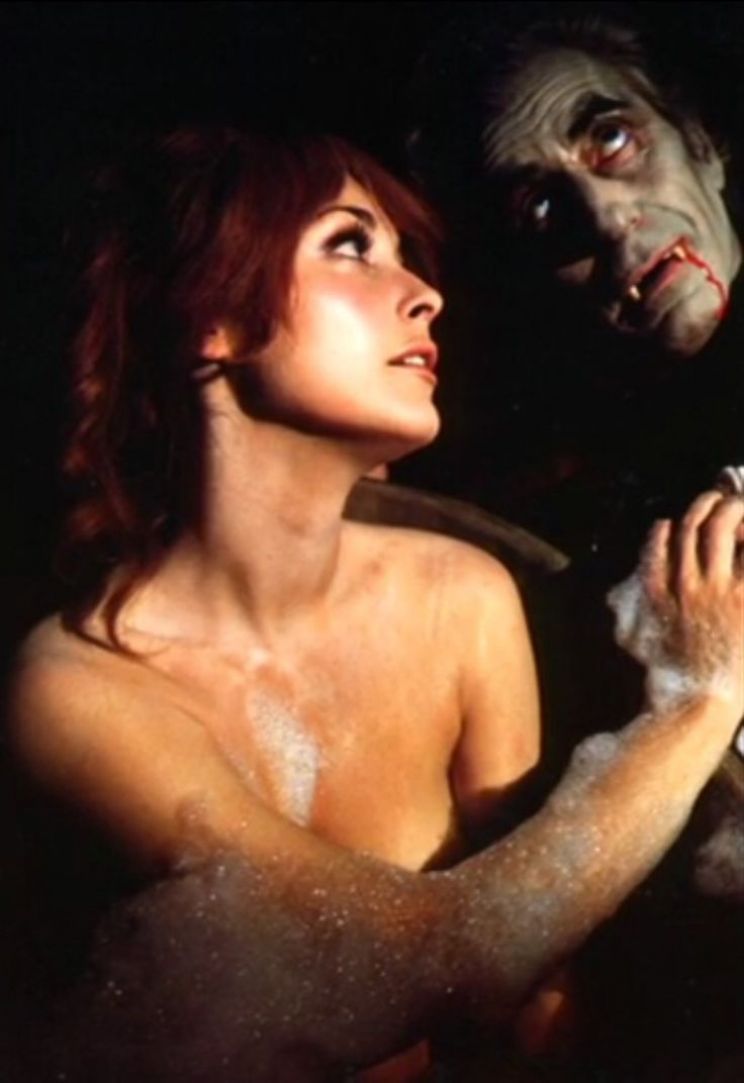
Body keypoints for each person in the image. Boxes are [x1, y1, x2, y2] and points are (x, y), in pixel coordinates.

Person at [3, 127, 742, 1082]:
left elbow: (535, 993)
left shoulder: (458, 597)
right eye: (350, 244)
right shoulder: (79, 688)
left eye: (405, 255)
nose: (425, 294)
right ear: (208, 319)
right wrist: (702, 696)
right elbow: (448, 955)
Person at [407, 10, 744, 569]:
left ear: (701, 142)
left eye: (612, 139)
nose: (606, 219)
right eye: (540, 206)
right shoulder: (552, 513)